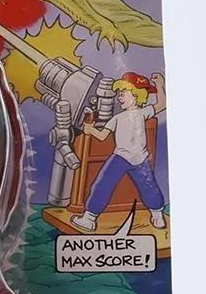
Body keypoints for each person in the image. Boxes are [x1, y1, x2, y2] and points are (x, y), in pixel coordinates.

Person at [71, 71, 167, 232]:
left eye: (123, 93)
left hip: (140, 159)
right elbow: (102, 136)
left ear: (136, 95)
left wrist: (159, 84)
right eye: (119, 94)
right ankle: (89, 219)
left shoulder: (143, 112)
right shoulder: (117, 118)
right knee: (103, 185)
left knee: (149, 186)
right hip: (120, 157)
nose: (119, 97)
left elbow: (162, 104)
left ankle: (157, 214)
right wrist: (90, 129)